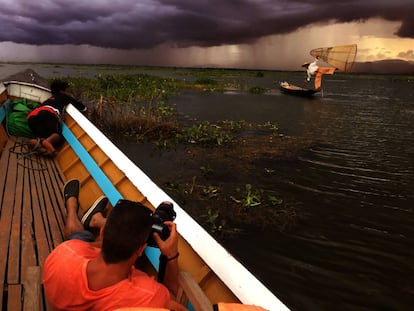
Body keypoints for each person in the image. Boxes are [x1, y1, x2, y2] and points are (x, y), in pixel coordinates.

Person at [43, 179, 186, 311]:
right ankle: (95, 219)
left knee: (80, 237)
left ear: (103, 232)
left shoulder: (65, 252)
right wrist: (171, 254)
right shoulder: (149, 296)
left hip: (70, 268)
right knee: (83, 236)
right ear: (142, 248)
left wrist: (121, 234)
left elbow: (90, 247)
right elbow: (173, 300)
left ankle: (74, 210)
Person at [27, 79, 87, 156]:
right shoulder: (64, 96)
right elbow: (81, 107)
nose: (66, 92)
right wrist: (85, 109)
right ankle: (48, 144)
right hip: (48, 113)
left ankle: (35, 143)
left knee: (42, 136)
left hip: (32, 116)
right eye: (65, 90)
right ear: (61, 91)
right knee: (57, 136)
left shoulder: (48, 99)